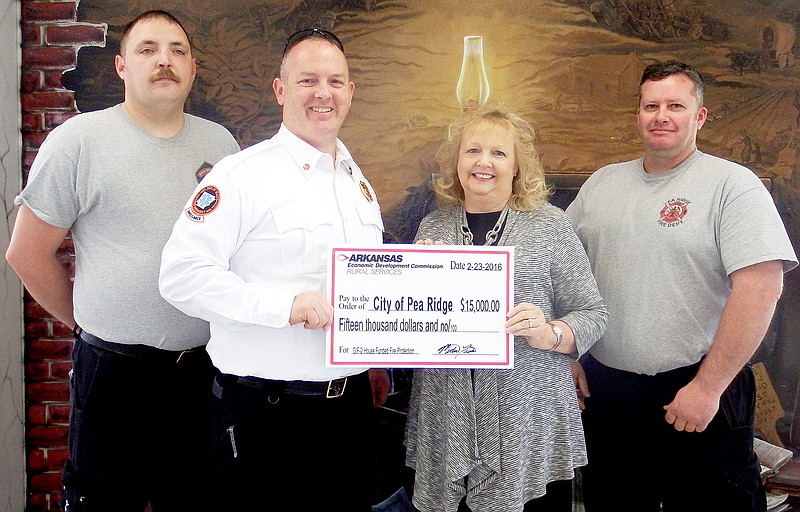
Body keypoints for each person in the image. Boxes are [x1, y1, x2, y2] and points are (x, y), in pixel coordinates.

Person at [5, 10, 240, 511]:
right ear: (120, 67)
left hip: (201, 375)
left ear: (193, 70)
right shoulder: (78, 141)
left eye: (178, 50)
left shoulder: (221, 146)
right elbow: (27, 253)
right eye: (148, 49)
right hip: (114, 376)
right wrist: (87, 322)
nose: (165, 61)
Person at [158, 28, 389, 511]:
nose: (323, 94)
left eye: (334, 81)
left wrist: (421, 272)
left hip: (347, 412)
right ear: (280, 90)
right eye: (308, 80)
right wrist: (283, 307)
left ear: (350, 92)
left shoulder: (355, 182)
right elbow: (182, 275)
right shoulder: (242, 176)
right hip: (266, 414)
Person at [566, 60, 798, 512]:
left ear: (699, 115)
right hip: (608, 394)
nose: (661, 116)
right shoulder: (601, 185)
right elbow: (562, 269)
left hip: (698, 389)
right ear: (638, 114)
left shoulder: (733, 186)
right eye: (651, 105)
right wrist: (568, 353)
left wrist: (708, 388)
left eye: (675, 105)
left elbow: (761, 288)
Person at [404, 105, 608, 512]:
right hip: (447, 416)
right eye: (473, 151)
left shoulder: (549, 225)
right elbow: (414, 325)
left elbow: (592, 313)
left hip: (528, 420)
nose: (484, 162)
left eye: (499, 153)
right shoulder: (433, 228)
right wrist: (414, 277)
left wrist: (549, 332)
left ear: (517, 166)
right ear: (457, 162)